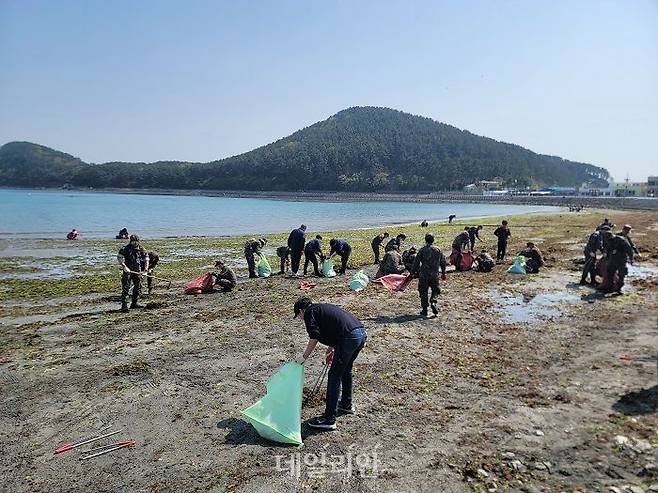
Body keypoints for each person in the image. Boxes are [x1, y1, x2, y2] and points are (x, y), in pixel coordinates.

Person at [294, 297, 367, 431]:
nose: (300, 319)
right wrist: (331, 348)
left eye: (298, 316)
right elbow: (336, 326)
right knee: (345, 370)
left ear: (301, 311)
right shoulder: (321, 308)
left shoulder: (309, 312)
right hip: (360, 334)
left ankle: (329, 419)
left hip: (349, 338)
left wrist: (304, 357)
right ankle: (346, 404)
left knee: (334, 376)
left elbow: (314, 336)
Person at [411, 233, 447, 317]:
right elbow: (443, 262)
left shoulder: (422, 250)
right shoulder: (438, 250)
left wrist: (412, 273)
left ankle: (424, 310)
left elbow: (416, 263)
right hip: (434, 274)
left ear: (425, 240)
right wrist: (444, 273)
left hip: (424, 274)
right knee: (435, 290)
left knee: (423, 291)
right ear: (433, 240)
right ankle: (433, 302)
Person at [117, 235, 148, 312]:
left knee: (138, 286)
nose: (135, 243)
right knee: (126, 287)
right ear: (130, 241)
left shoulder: (141, 249)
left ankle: (134, 303)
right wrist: (124, 266)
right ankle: (124, 306)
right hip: (128, 271)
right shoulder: (125, 248)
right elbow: (120, 257)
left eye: (136, 241)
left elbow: (146, 259)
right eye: (133, 241)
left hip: (138, 271)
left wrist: (145, 270)